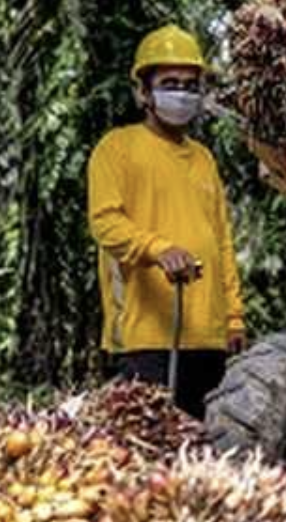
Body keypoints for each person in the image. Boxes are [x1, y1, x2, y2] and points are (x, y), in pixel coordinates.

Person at [87, 25, 247, 418]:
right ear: (144, 92)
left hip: (207, 338)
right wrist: (158, 250)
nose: (182, 93)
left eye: (191, 85)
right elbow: (106, 223)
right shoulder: (117, 148)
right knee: (150, 447)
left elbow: (221, 240)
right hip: (147, 337)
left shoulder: (204, 159)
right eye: (170, 83)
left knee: (202, 452)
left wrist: (234, 317)